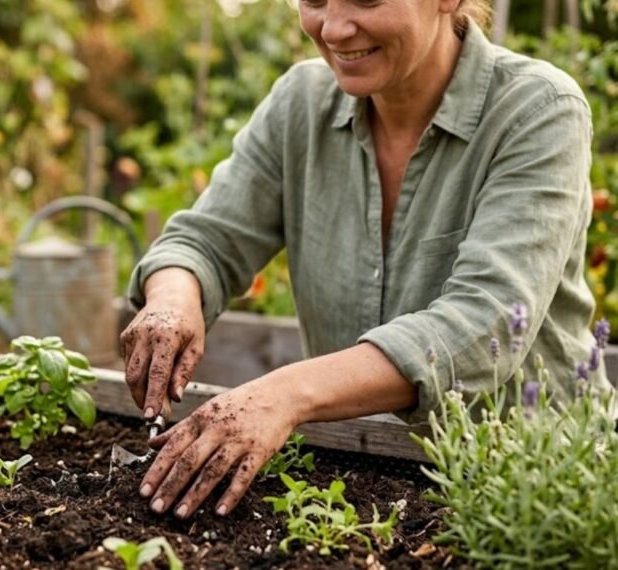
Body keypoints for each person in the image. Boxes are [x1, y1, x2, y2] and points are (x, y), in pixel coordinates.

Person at [120, 0, 610, 521]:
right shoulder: (300, 104)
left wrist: (284, 394)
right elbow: (206, 241)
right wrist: (173, 298)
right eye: (313, 0)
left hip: (534, 493)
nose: (333, 28)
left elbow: (482, 325)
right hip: (355, 484)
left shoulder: (537, 109)